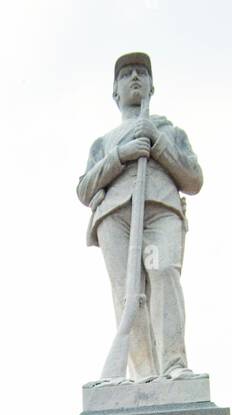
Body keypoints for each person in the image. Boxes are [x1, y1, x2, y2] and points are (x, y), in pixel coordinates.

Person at [77, 52, 203, 380]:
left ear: (151, 85)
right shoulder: (103, 143)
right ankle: (145, 374)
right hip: (116, 217)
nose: (135, 78)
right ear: (115, 91)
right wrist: (121, 154)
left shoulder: (169, 131)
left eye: (141, 73)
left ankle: (174, 366)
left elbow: (193, 179)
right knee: (127, 295)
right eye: (127, 74)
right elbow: (84, 189)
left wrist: (157, 142)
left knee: (163, 273)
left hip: (160, 210)